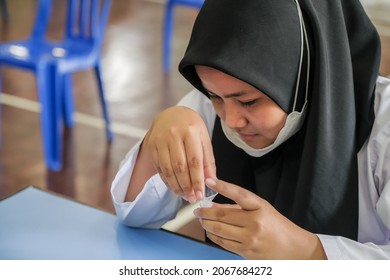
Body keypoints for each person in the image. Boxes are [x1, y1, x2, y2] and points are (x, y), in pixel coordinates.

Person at [111, 0, 390, 259]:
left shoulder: (382, 126)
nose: (231, 121)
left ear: (304, 77)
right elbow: (136, 217)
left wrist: (308, 251)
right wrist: (156, 142)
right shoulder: (206, 108)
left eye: (249, 101)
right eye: (215, 96)